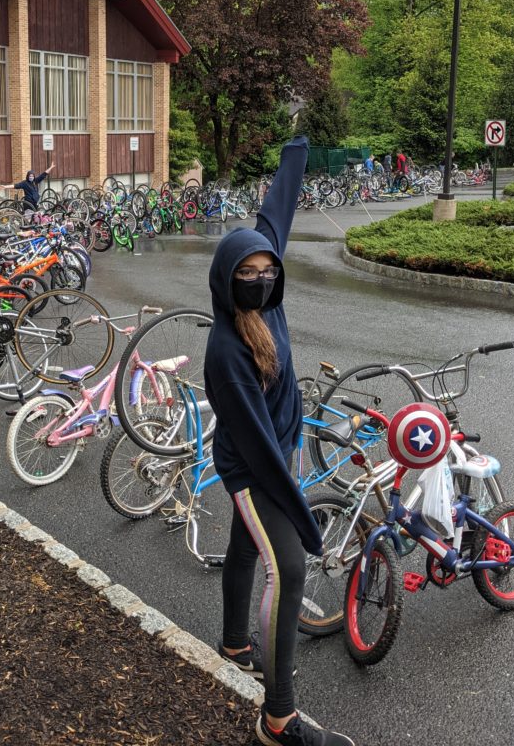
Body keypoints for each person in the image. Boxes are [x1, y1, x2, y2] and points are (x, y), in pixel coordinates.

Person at [204, 135, 355, 746]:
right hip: (254, 468)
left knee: (244, 551)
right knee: (288, 569)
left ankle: (234, 643)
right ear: (226, 279)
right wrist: (298, 507)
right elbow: (259, 448)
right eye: (248, 273)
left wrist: (298, 145)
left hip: (276, 449)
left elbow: (276, 214)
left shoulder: (270, 306)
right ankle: (279, 721)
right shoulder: (227, 351)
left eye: (269, 272)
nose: (261, 280)